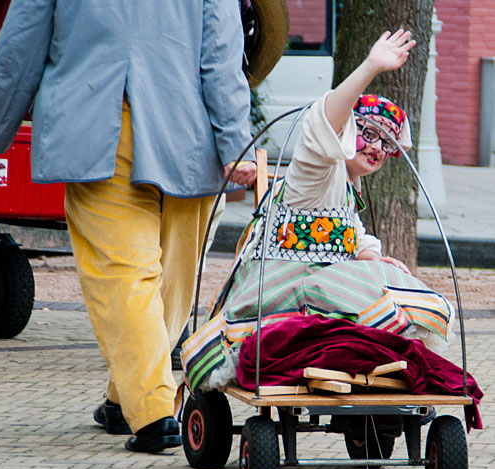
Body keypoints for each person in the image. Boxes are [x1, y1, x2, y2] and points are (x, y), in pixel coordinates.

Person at [0, 0, 256, 452]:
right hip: (188, 134)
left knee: (125, 275)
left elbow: (21, 41)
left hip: (100, 124)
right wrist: (235, 144)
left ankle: (151, 413)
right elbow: (222, 54)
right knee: (171, 280)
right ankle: (125, 397)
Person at [181, 29, 455, 395]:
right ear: (346, 131)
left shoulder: (346, 186)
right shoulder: (318, 172)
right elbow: (321, 124)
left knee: (390, 280)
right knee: (393, 295)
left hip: (320, 285)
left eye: (387, 143)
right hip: (282, 288)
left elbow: (352, 233)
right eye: (368, 132)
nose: (376, 148)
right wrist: (370, 67)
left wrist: (372, 255)